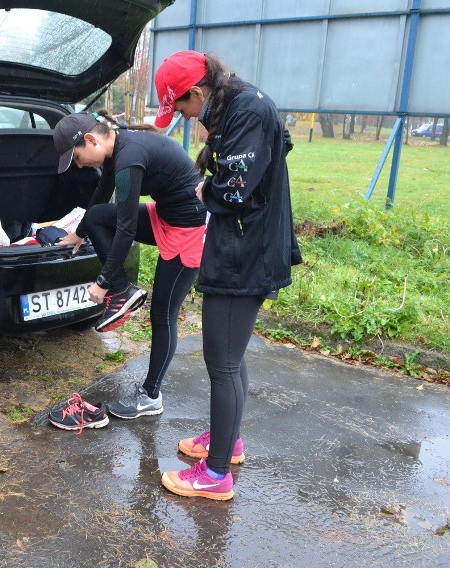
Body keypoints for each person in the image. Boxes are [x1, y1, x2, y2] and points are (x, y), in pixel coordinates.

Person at [154, 51, 302, 500]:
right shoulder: (238, 106)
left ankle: (216, 474)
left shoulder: (249, 110)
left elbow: (235, 189)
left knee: (221, 362)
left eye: (181, 106)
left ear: (197, 92)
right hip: (240, 245)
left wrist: (205, 189)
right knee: (230, 359)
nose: (182, 115)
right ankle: (227, 441)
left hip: (247, 253)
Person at [51, 110, 207, 422]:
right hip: (166, 215)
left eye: (78, 157)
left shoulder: (128, 159)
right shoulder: (117, 151)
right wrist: (78, 234)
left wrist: (105, 281)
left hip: (189, 230)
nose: (79, 165)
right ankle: (124, 290)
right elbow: (100, 198)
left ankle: (151, 395)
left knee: (162, 313)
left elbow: (125, 228)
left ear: (92, 140)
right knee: (96, 216)